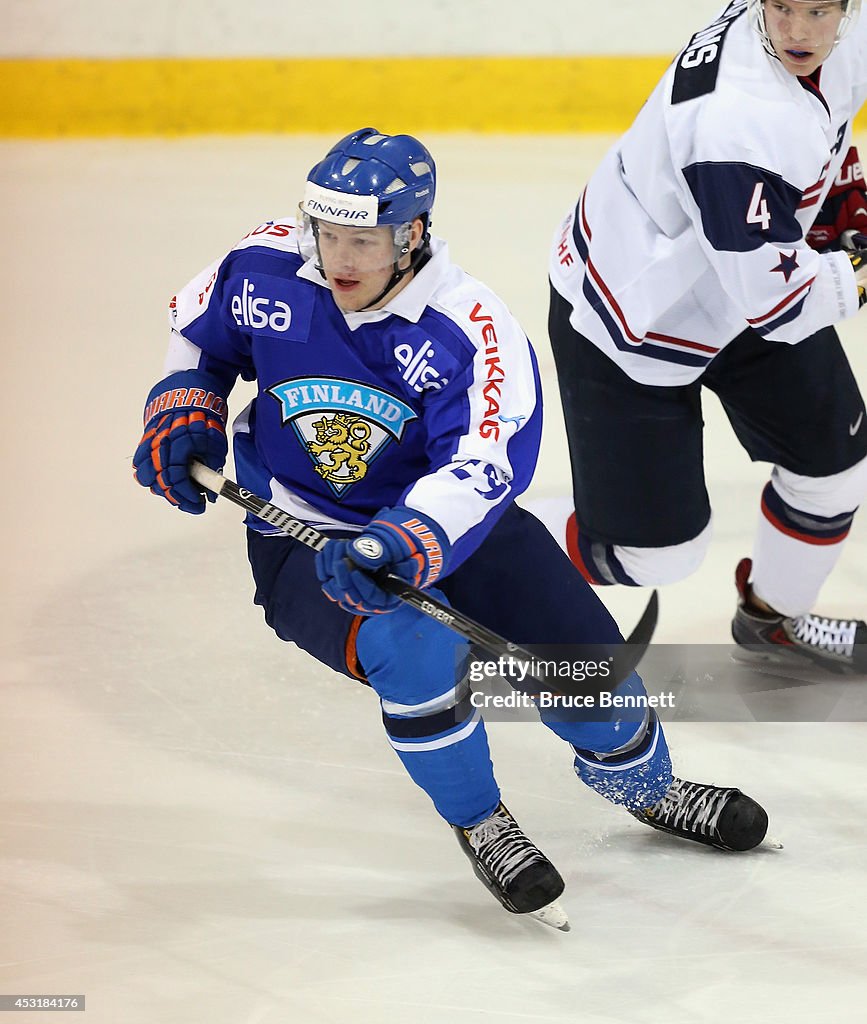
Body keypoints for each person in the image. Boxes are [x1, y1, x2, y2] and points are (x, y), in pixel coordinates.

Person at [133, 127, 769, 930]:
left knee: (586, 668)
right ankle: (481, 821)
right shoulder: (264, 266)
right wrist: (181, 404)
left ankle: (648, 790)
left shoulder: (467, 327)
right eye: (328, 234)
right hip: (304, 538)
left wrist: (399, 539)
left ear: (412, 233)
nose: (340, 258)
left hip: (451, 529)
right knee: (416, 652)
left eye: (363, 239)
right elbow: (199, 333)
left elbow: (484, 463)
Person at [542, 0, 867, 675]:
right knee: (653, 555)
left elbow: (821, 120)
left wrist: (837, 187)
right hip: (635, 315)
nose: (798, 30)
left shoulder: (838, 37)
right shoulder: (734, 119)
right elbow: (779, 307)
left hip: (741, 272)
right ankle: (463, 539)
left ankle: (772, 621)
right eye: (781, 7)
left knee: (833, 470)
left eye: (817, 9)